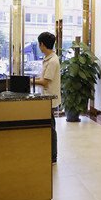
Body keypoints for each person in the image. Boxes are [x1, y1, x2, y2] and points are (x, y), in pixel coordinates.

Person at [33, 32, 60, 163]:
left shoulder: (53, 61)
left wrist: (29, 82)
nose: (39, 47)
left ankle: (53, 156)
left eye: (39, 44)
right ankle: (50, 153)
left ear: (42, 44)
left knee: (50, 127)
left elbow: (45, 82)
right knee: (50, 125)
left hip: (49, 98)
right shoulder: (48, 59)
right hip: (45, 98)